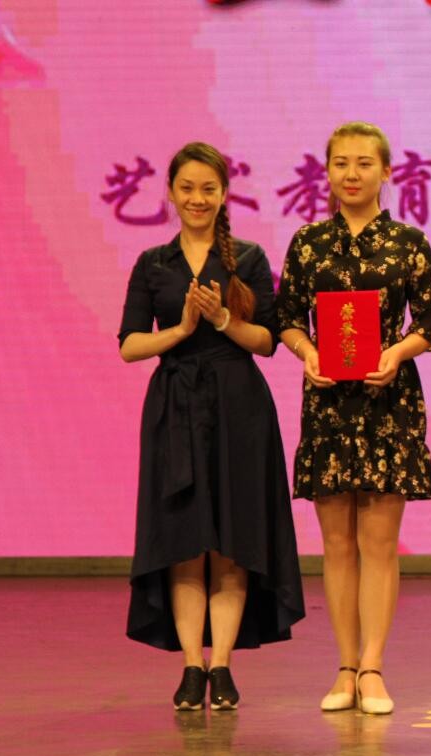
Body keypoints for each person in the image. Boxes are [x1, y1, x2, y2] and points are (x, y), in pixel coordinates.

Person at [118, 141, 306, 711]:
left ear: (224, 194)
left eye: (208, 188)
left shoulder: (247, 257)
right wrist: (180, 330)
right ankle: (190, 667)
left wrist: (224, 319)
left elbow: (267, 341)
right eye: (187, 188)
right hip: (174, 408)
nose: (197, 198)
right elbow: (129, 345)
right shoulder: (154, 262)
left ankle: (220, 664)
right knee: (183, 542)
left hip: (238, 407)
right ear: (171, 193)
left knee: (231, 542)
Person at [276, 122, 431, 715]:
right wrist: (308, 352)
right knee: (337, 544)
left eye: (364, 163)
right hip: (327, 402)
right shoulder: (308, 242)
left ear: (386, 171)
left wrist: (397, 353)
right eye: (341, 163)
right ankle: (344, 666)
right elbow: (286, 317)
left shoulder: (408, 242)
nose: (352, 174)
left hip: (387, 402)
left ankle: (373, 666)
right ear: (327, 172)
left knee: (379, 543)